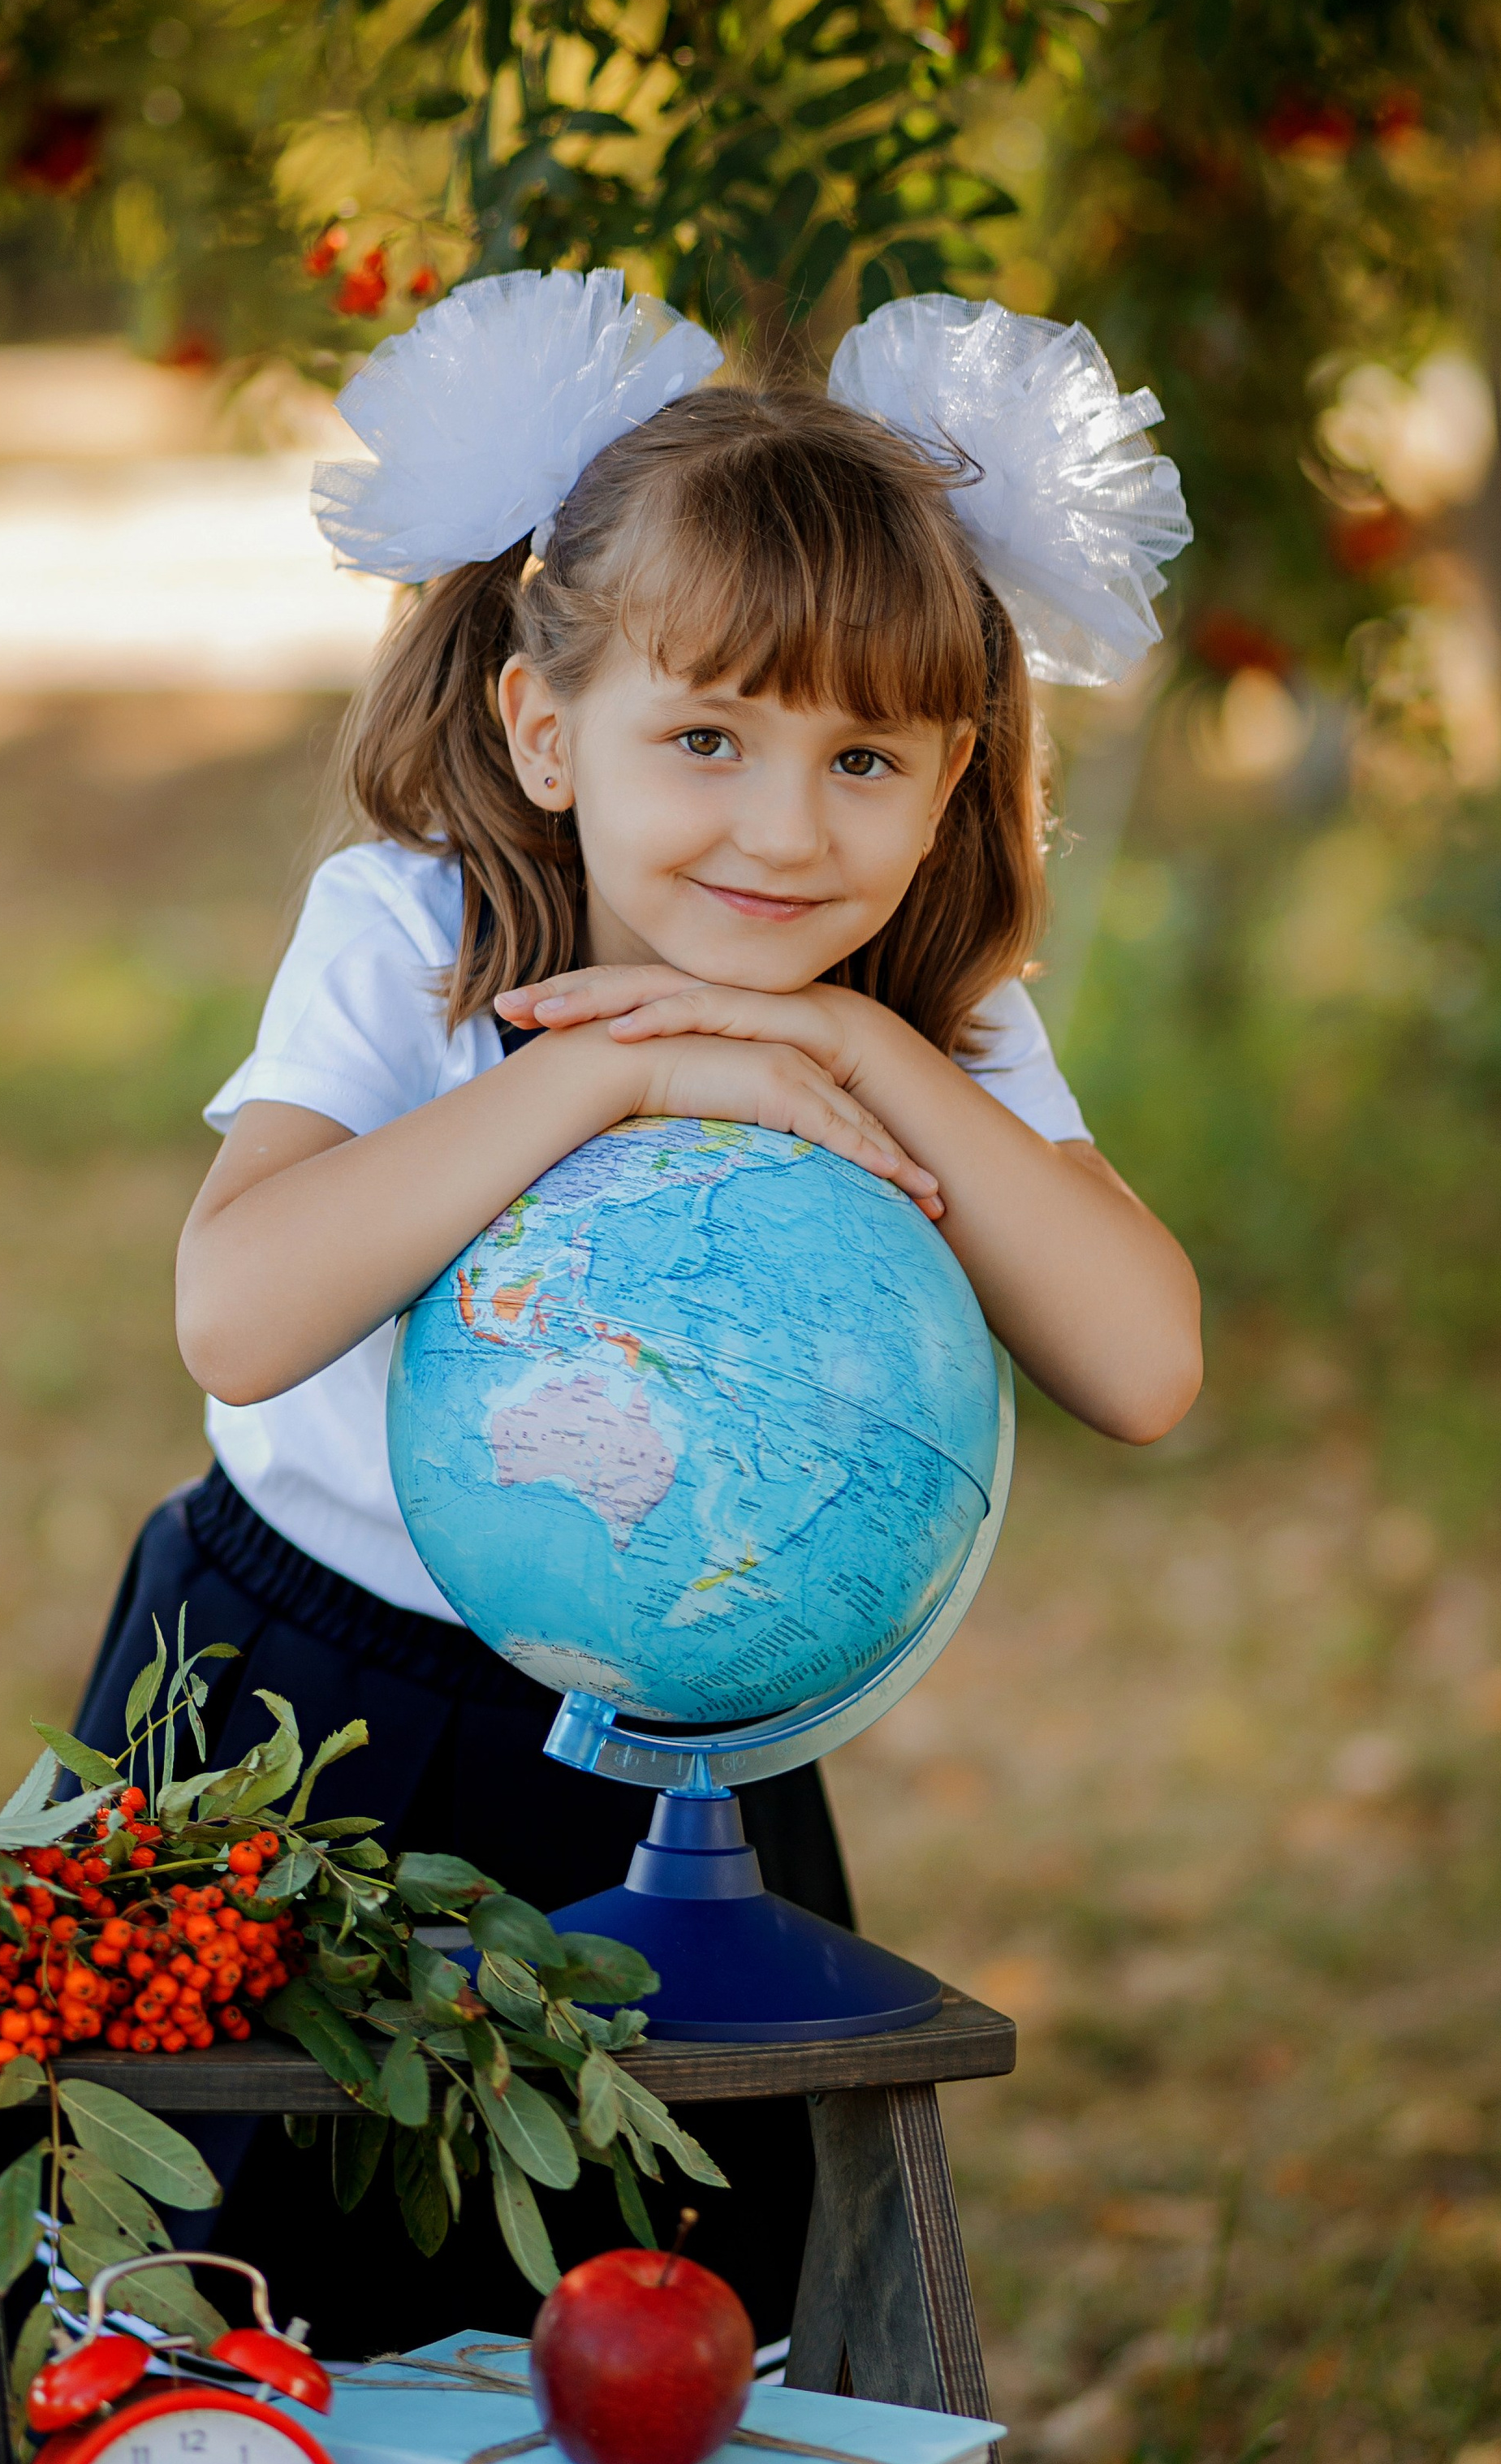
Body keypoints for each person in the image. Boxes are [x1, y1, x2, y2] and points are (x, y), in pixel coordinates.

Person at [73, 275, 1204, 2353]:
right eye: (703, 738)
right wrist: (597, 1072)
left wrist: (880, 1066)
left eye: (864, 756)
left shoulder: (931, 1016)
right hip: (304, 1711)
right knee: (232, 2309)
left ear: (952, 778)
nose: (783, 832)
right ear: (539, 725)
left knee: (645, 2329)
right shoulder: (414, 919)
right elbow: (234, 1312)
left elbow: (1141, 1364)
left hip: (687, 1733)